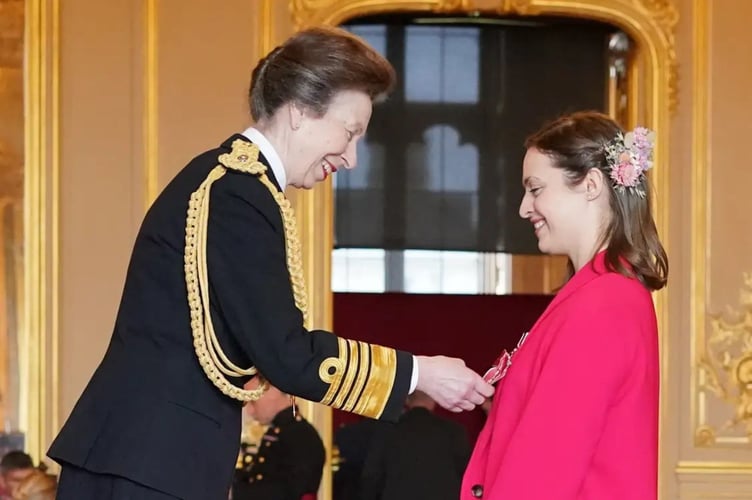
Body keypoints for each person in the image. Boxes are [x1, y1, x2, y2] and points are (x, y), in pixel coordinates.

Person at [48, 26, 493, 500]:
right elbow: (286, 353)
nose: (351, 158)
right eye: (349, 132)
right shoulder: (240, 192)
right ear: (300, 110)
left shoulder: (232, 182)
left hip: (147, 458)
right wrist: (419, 373)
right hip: (151, 464)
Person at [462, 111, 668, 500]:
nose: (524, 208)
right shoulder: (599, 294)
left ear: (591, 184)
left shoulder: (604, 303)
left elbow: (544, 470)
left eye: (535, 189)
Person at [360, 391, 470, 500]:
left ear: (406, 400)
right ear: (434, 399)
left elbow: (371, 477)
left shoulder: (386, 430)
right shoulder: (454, 431)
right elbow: (467, 475)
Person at [232, 383, 325, 500]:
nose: (250, 411)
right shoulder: (281, 430)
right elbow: (257, 475)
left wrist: (235, 493)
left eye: (252, 401)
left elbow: (287, 491)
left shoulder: (301, 435)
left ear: (272, 391)